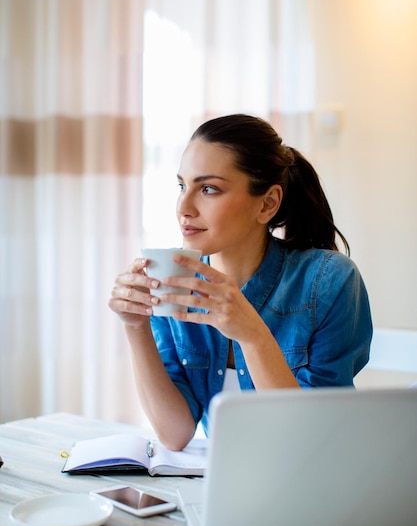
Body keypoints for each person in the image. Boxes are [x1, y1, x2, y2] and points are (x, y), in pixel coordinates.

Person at [109, 114, 373, 450]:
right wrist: (135, 327)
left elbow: (312, 440)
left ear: (268, 203)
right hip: (221, 481)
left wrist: (251, 333)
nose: (183, 207)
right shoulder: (174, 282)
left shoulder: (329, 281)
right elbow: (174, 434)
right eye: (181, 186)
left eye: (208, 189)